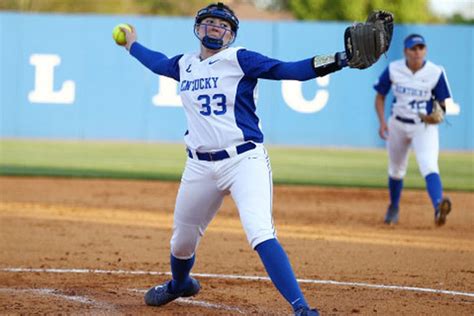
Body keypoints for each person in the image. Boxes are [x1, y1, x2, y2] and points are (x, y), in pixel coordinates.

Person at [119, 3, 354, 315]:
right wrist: (132, 45)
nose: (215, 28)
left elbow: (289, 70)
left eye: (222, 25)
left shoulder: (239, 59)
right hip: (199, 165)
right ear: (198, 28)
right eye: (209, 23)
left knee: (260, 232)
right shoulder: (185, 64)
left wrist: (340, 60)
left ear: (231, 34)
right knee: (181, 243)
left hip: (243, 161)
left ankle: (302, 309)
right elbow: (157, 62)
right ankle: (179, 285)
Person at [373, 34, 452, 226]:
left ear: (425, 50)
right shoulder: (394, 68)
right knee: (396, 169)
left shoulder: (435, 72)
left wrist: (438, 114)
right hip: (397, 124)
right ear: (405, 51)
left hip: (423, 126)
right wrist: (382, 122)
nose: (417, 52)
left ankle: (438, 206)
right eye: (413, 48)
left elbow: (442, 105)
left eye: (420, 48)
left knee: (429, 165)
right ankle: (393, 207)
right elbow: (380, 96)